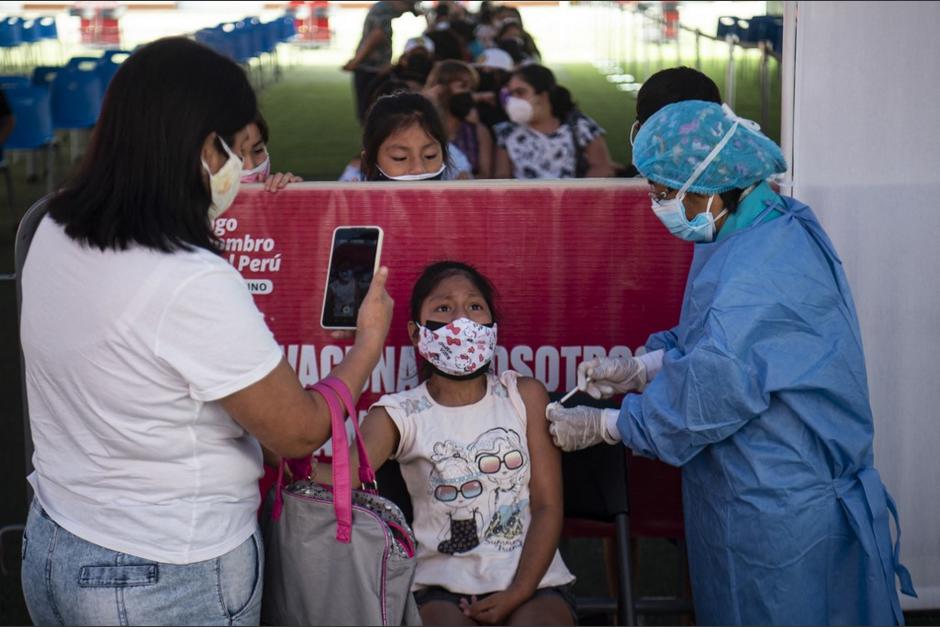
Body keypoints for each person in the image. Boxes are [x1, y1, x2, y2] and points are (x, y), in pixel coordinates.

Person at [19, 37, 394, 626]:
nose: (241, 171)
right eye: (235, 153)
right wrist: (368, 345)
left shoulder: (55, 224)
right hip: (165, 570)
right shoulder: (188, 279)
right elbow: (296, 430)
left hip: (57, 539)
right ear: (198, 149)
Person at [545, 99, 917, 625]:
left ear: (714, 184)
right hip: (747, 486)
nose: (658, 204)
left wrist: (610, 424)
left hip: (779, 502)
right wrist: (644, 366)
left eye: (666, 192)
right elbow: (712, 338)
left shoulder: (764, 266)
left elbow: (715, 387)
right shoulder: (747, 226)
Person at [322, 261, 576, 625]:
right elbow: (338, 479)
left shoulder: (524, 396)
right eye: (444, 308)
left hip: (534, 582)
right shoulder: (400, 413)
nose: (462, 320)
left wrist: (518, 591)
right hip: (437, 587)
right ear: (416, 333)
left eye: (475, 306)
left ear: (492, 327)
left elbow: (548, 506)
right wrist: (272, 440)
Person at [494, 64, 614, 179]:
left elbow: (601, 167)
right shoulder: (507, 133)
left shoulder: (580, 126)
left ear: (543, 96)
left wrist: (574, 197)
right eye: (511, 94)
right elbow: (502, 176)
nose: (514, 100)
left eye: (520, 92)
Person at [356, 91, 470, 182]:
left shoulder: (463, 208)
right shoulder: (350, 209)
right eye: (400, 157)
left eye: (430, 155)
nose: (419, 169)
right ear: (368, 163)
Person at [343, 0, 421, 123]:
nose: (404, 12)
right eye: (407, 6)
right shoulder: (383, 9)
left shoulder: (385, 9)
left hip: (375, 69)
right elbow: (377, 35)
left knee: (375, 113)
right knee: (371, 114)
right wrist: (356, 62)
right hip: (371, 69)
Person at [425, 60, 494, 178]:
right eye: (463, 86)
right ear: (441, 89)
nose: (468, 94)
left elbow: (485, 175)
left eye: (472, 89)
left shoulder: (478, 131)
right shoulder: (425, 130)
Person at [239, 113, 303, 191]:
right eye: (236, 157)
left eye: (258, 150)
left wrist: (291, 196)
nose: (251, 167)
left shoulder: (275, 187)